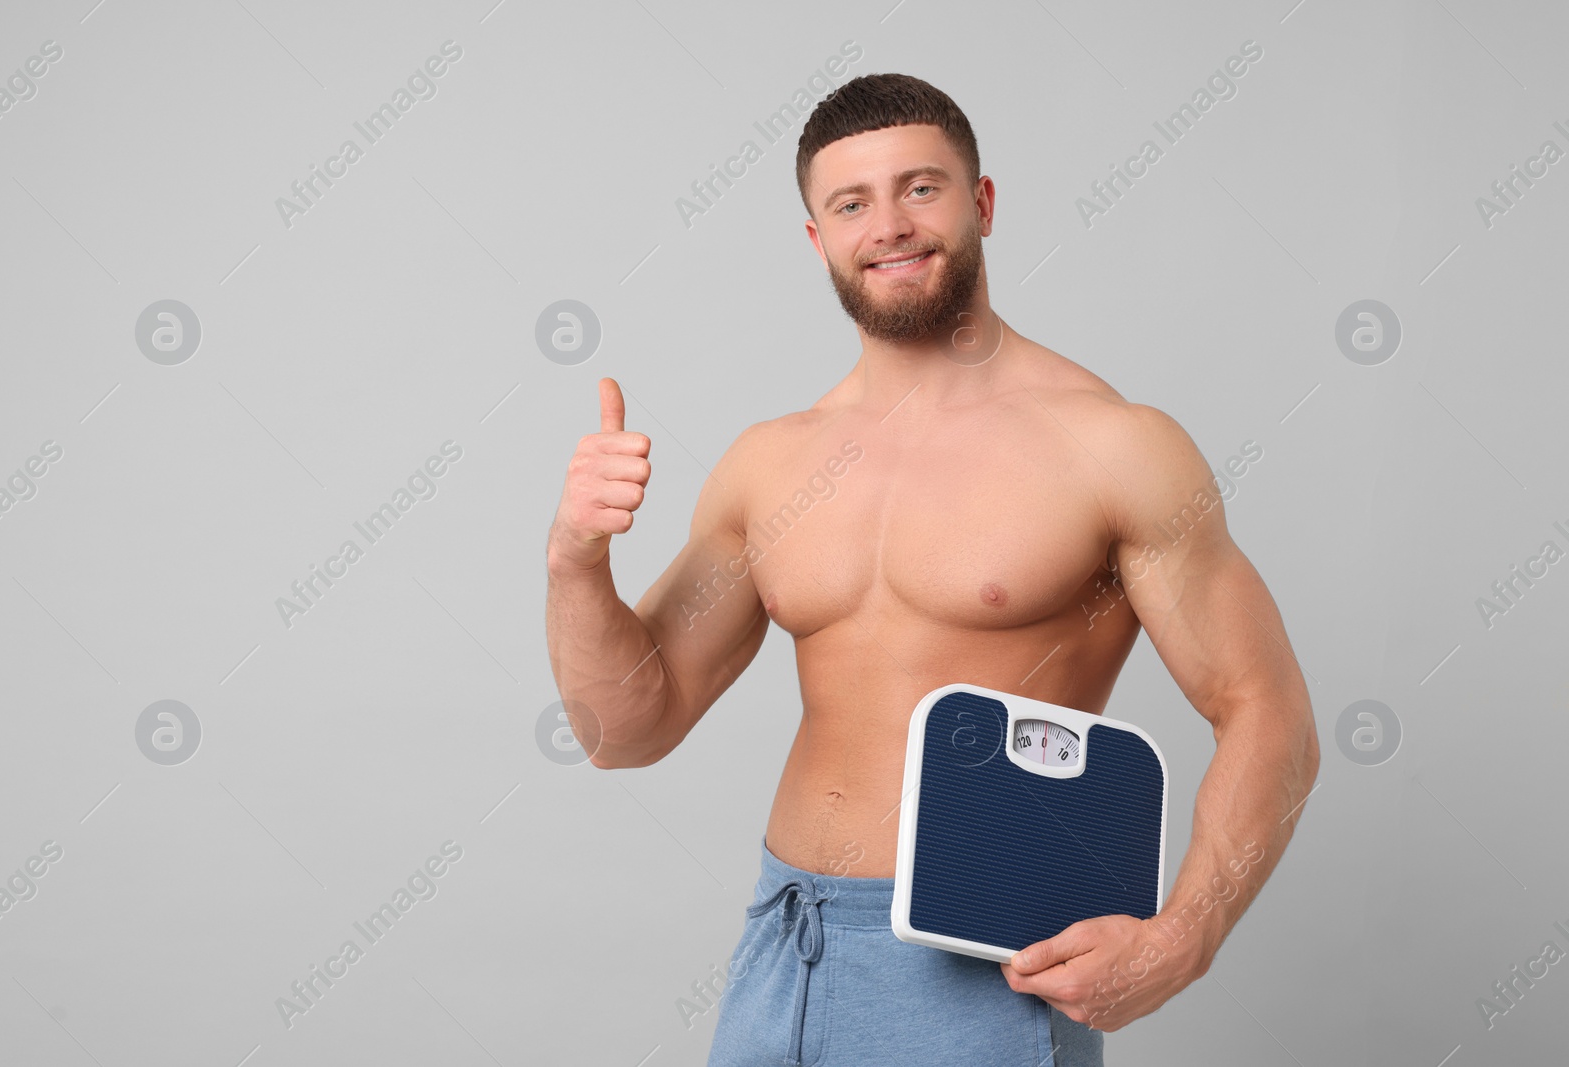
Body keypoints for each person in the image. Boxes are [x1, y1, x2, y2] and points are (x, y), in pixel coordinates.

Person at [545, 72, 1319, 1067]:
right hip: (787, 944)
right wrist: (576, 561)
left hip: (982, 969)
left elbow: (1271, 710)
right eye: (851, 202)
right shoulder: (770, 462)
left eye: (921, 188)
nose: (891, 224)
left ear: (981, 203)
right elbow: (625, 726)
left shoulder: (1112, 447)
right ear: (816, 238)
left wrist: (1184, 935)